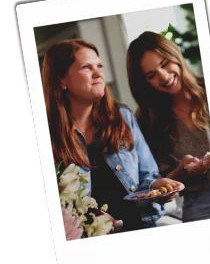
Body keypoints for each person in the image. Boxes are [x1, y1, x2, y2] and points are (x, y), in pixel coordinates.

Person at [42, 38, 179, 232]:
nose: (98, 73)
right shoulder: (45, 135)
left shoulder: (122, 116)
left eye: (99, 65)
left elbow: (148, 176)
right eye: (86, 67)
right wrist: (89, 219)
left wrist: (157, 186)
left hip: (141, 227)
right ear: (61, 80)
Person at [127, 31, 210, 223]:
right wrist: (182, 169)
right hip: (198, 203)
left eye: (164, 64)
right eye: (151, 75)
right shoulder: (149, 122)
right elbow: (159, 181)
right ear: (145, 82)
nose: (163, 77)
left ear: (175, 55)